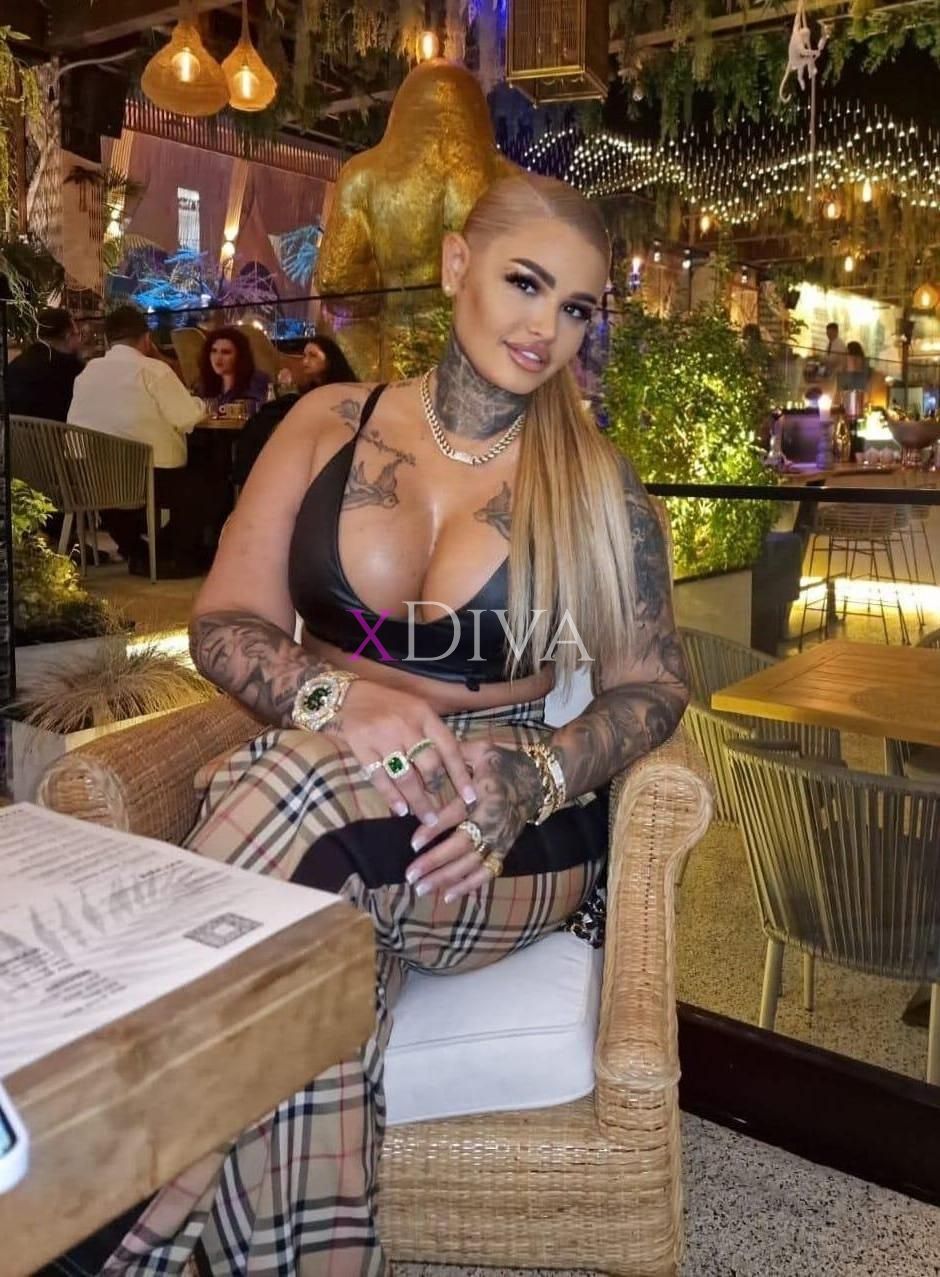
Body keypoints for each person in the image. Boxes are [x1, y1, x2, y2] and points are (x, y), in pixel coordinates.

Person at [99, 174, 689, 1274]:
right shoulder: (327, 424)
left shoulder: (597, 483)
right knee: (311, 950)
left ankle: (91, 1219)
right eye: (525, 283)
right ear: (458, 263)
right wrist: (337, 697)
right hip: (321, 778)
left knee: (287, 797)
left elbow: (653, 688)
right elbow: (223, 623)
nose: (546, 328)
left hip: (496, 826)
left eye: (575, 308)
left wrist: (537, 776)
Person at [68, 304, 208, 575]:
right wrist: (202, 404)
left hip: (92, 476)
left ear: (108, 338)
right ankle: (173, 556)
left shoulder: (87, 373)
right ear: (146, 339)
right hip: (149, 477)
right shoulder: (153, 370)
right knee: (206, 486)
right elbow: (186, 418)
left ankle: (138, 551)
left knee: (116, 491)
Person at [232, 335, 359, 487]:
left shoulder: (344, 390)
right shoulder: (309, 391)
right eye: (304, 356)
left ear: (330, 359)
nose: (305, 361)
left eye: (313, 356)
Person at [6, 307, 84, 421]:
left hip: (16, 431)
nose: (80, 340)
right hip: (56, 431)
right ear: (68, 336)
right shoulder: (70, 368)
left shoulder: (18, 362)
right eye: (78, 334)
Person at [196, 325, 270, 412]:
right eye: (214, 351)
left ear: (239, 356)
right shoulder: (206, 384)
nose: (218, 358)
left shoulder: (256, 381)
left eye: (226, 352)